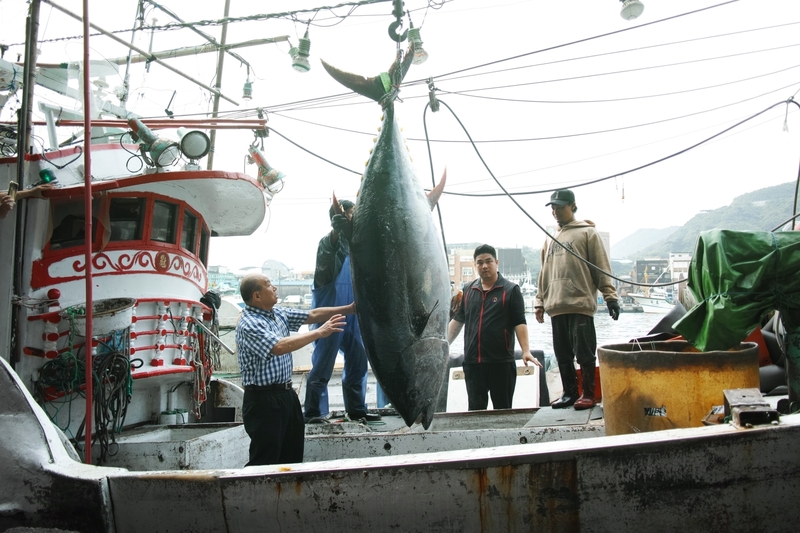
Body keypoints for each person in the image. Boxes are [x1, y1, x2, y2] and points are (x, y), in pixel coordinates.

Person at [235, 272, 356, 466]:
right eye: (268, 284)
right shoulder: (249, 324)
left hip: (286, 396)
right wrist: (319, 332)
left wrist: (350, 309)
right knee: (265, 460)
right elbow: (279, 346)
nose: (274, 287)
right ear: (256, 296)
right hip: (263, 401)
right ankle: (256, 495)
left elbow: (313, 314)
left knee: (291, 456)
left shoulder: (278, 314)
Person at [534, 189, 620, 411]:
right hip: (556, 306)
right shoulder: (549, 238)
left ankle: (589, 394)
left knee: (584, 353)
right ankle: (569, 393)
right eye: (552, 207)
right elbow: (544, 272)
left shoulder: (588, 233)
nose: (555, 211)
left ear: (572, 206)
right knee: (563, 355)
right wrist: (540, 301)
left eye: (560, 207)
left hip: (580, 303)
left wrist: (610, 297)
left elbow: (601, 266)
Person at [303, 199, 382, 423]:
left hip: (356, 318)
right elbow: (329, 248)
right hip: (331, 315)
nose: (353, 218)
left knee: (358, 363)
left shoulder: (359, 248)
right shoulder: (328, 245)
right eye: (349, 214)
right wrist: (337, 232)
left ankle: (357, 409)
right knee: (322, 364)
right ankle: (314, 412)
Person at [447, 244, 542, 411]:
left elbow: (519, 322)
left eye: (488, 261)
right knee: (475, 412)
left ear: (496, 262)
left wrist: (526, 350)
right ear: (475, 265)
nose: (484, 266)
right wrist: (444, 345)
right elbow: (458, 321)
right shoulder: (468, 290)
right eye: (480, 262)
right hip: (473, 363)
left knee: (503, 410)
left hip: (501, 364)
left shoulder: (511, 290)